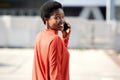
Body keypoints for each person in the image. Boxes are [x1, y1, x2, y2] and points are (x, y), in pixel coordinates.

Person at [32, 1, 71, 80]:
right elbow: (55, 74)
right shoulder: (55, 40)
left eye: (62, 17)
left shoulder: (39, 36)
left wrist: (65, 39)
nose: (62, 21)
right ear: (46, 19)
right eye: (57, 17)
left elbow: (60, 59)